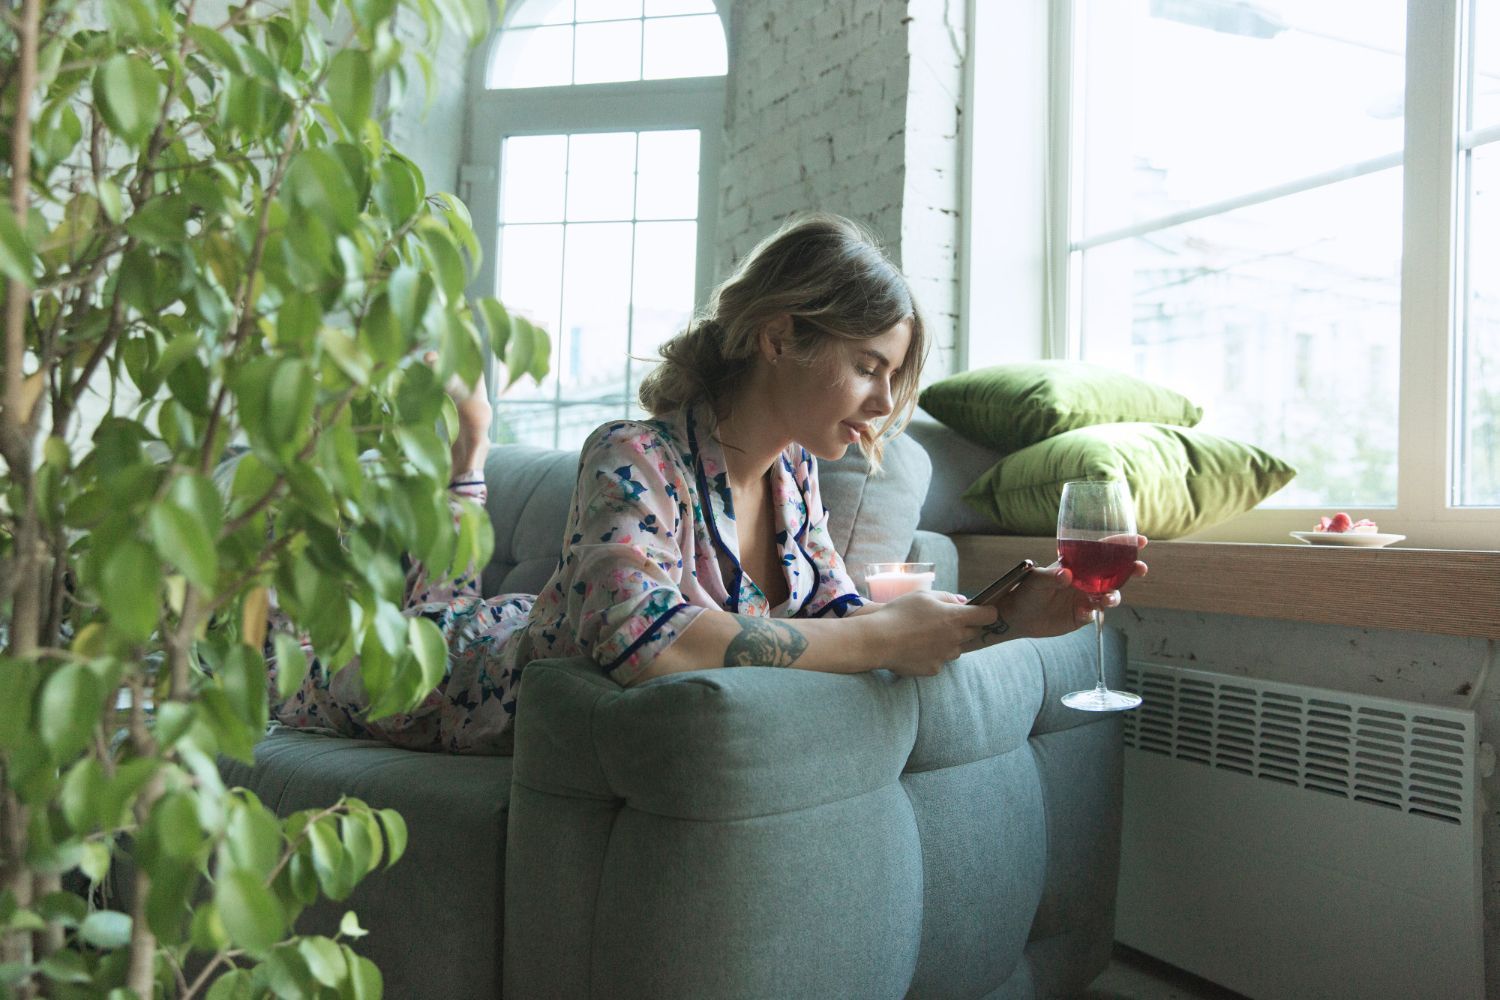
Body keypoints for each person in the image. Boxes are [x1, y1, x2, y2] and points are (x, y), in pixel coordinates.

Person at [271, 213, 1146, 754]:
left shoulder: (798, 479)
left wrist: (1004, 619)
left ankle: (461, 463)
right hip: (456, 680)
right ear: (778, 337)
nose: (884, 404)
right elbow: (645, 643)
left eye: (893, 379)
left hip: (509, 626)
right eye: (867, 368)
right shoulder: (632, 455)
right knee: (299, 663)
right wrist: (882, 641)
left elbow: (846, 623)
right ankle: (452, 461)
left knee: (439, 602)